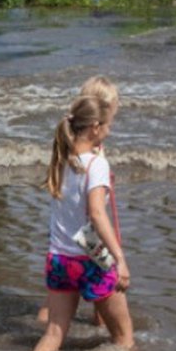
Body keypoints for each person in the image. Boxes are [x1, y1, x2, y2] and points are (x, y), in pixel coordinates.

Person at [33, 95, 134, 351]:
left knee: (53, 335)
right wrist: (120, 259)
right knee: (124, 339)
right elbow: (97, 214)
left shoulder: (61, 159)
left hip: (58, 257)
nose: (110, 130)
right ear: (95, 128)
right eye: (108, 125)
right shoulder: (96, 164)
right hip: (91, 254)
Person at [37, 76, 120, 326]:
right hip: (87, 243)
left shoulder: (67, 148)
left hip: (62, 243)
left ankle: (46, 325)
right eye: (112, 113)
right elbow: (96, 211)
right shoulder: (95, 158)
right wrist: (119, 256)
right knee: (107, 290)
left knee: (56, 307)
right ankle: (101, 326)